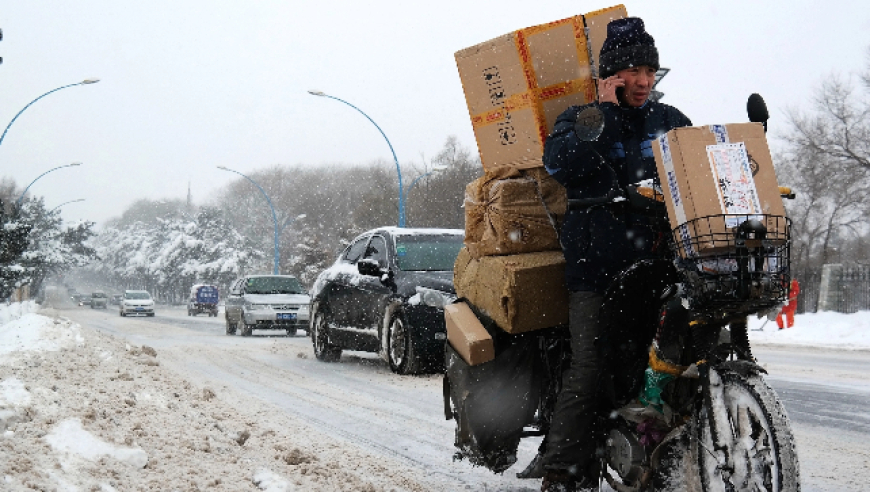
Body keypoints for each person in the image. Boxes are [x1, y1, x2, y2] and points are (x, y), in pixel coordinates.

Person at [538, 17, 692, 491]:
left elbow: (698, 168)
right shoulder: (581, 118)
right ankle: (562, 471)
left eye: (650, 69)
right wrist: (602, 114)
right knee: (589, 366)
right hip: (598, 268)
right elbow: (561, 163)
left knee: (683, 352)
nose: (644, 81)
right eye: (632, 71)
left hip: (659, 261)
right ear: (609, 76)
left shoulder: (670, 121)